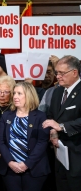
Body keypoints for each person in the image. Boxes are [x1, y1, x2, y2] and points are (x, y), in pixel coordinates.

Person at [0, 82, 51, 191]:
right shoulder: (6, 116)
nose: (15, 96)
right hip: (10, 169)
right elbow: (1, 141)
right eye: (14, 93)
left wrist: (27, 164)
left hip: (34, 169)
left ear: (29, 95)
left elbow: (42, 142)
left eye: (19, 93)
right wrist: (10, 162)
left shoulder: (40, 116)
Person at [42, 55, 81, 191]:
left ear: (74, 72)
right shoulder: (57, 92)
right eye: (57, 72)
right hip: (59, 153)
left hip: (77, 154)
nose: (57, 76)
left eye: (61, 73)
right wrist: (53, 133)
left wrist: (62, 127)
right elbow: (52, 117)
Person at [0, 75, 16, 191]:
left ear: (12, 93)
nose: (1, 95)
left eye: (6, 92)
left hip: (12, 155)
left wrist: (5, 153)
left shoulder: (17, 110)